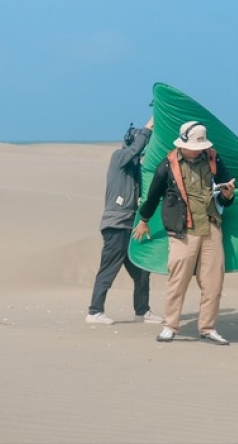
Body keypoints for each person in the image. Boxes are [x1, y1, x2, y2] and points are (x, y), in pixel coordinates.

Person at [133, 121, 236, 345]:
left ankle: (208, 328)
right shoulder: (167, 165)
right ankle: (170, 326)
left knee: (213, 283)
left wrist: (228, 196)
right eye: (194, 146)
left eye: (201, 146)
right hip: (182, 231)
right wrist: (144, 220)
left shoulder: (214, 159)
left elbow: (226, 192)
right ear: (182, 143)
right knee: (177, 281)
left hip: (211, 227)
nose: (198, 150)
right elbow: (153, 196)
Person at [86, 117, 163, 325]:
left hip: (131, 225)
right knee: (109, 269)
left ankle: (142, 311)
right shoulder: (118, 157)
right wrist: (148, 128)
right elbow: (134, 150)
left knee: (141, 271)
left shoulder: (136, 170)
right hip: (116, 226)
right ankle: (94, 312)